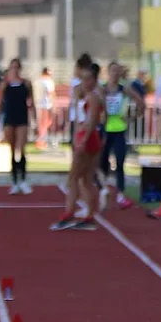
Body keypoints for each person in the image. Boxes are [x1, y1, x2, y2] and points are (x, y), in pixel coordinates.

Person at [52, 62, 104, 231]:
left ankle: (70, 212)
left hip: (88, 139)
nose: (85, 82)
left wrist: (82, 140)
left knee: (73, 177)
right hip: (87, 137)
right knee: (85, 179)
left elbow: (93, 120)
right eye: (83, 79)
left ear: (94, 80)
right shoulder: (87, 95)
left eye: (88, 79)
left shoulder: (93, 97)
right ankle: (89, 214)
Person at [99, 62, 145, 210]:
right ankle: (103, 191)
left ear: (120, 74)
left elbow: (141, 103)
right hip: (105, 129)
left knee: (120, 161)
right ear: (108, 72)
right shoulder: (102, 89)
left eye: (117, 71)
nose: (115, 74)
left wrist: (132, 117)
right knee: (102, 162)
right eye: (112, 71)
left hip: (119, 129)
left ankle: (120, 194)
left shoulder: (123, 89)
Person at [0, 58, 35, 195]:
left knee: (20, 149)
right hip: (9, 119)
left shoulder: (26, 84)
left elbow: (31, 103)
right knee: (11, 150)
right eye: (12, 67)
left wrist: (35, 120)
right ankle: (15, 181)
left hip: (22, 118)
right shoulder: (5, 85)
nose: (14, 70)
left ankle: (23, 180)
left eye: (17, 67)